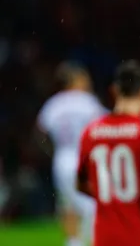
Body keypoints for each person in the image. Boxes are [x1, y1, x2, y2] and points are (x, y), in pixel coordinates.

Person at [77, 61, 140, 246]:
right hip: (139, 236)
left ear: (114, 91)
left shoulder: (91, 132)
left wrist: (111, 197)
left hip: (103, 237)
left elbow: (80, 184)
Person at [36, 62, 108, 246]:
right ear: (75, 80)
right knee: (93, 206)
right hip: (83, 157)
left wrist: (53, 152)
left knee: (67, 206)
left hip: (61, 159)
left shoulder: (53, 103)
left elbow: (39, 133)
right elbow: (103, 126)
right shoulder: (87, 101)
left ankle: (73, 242)